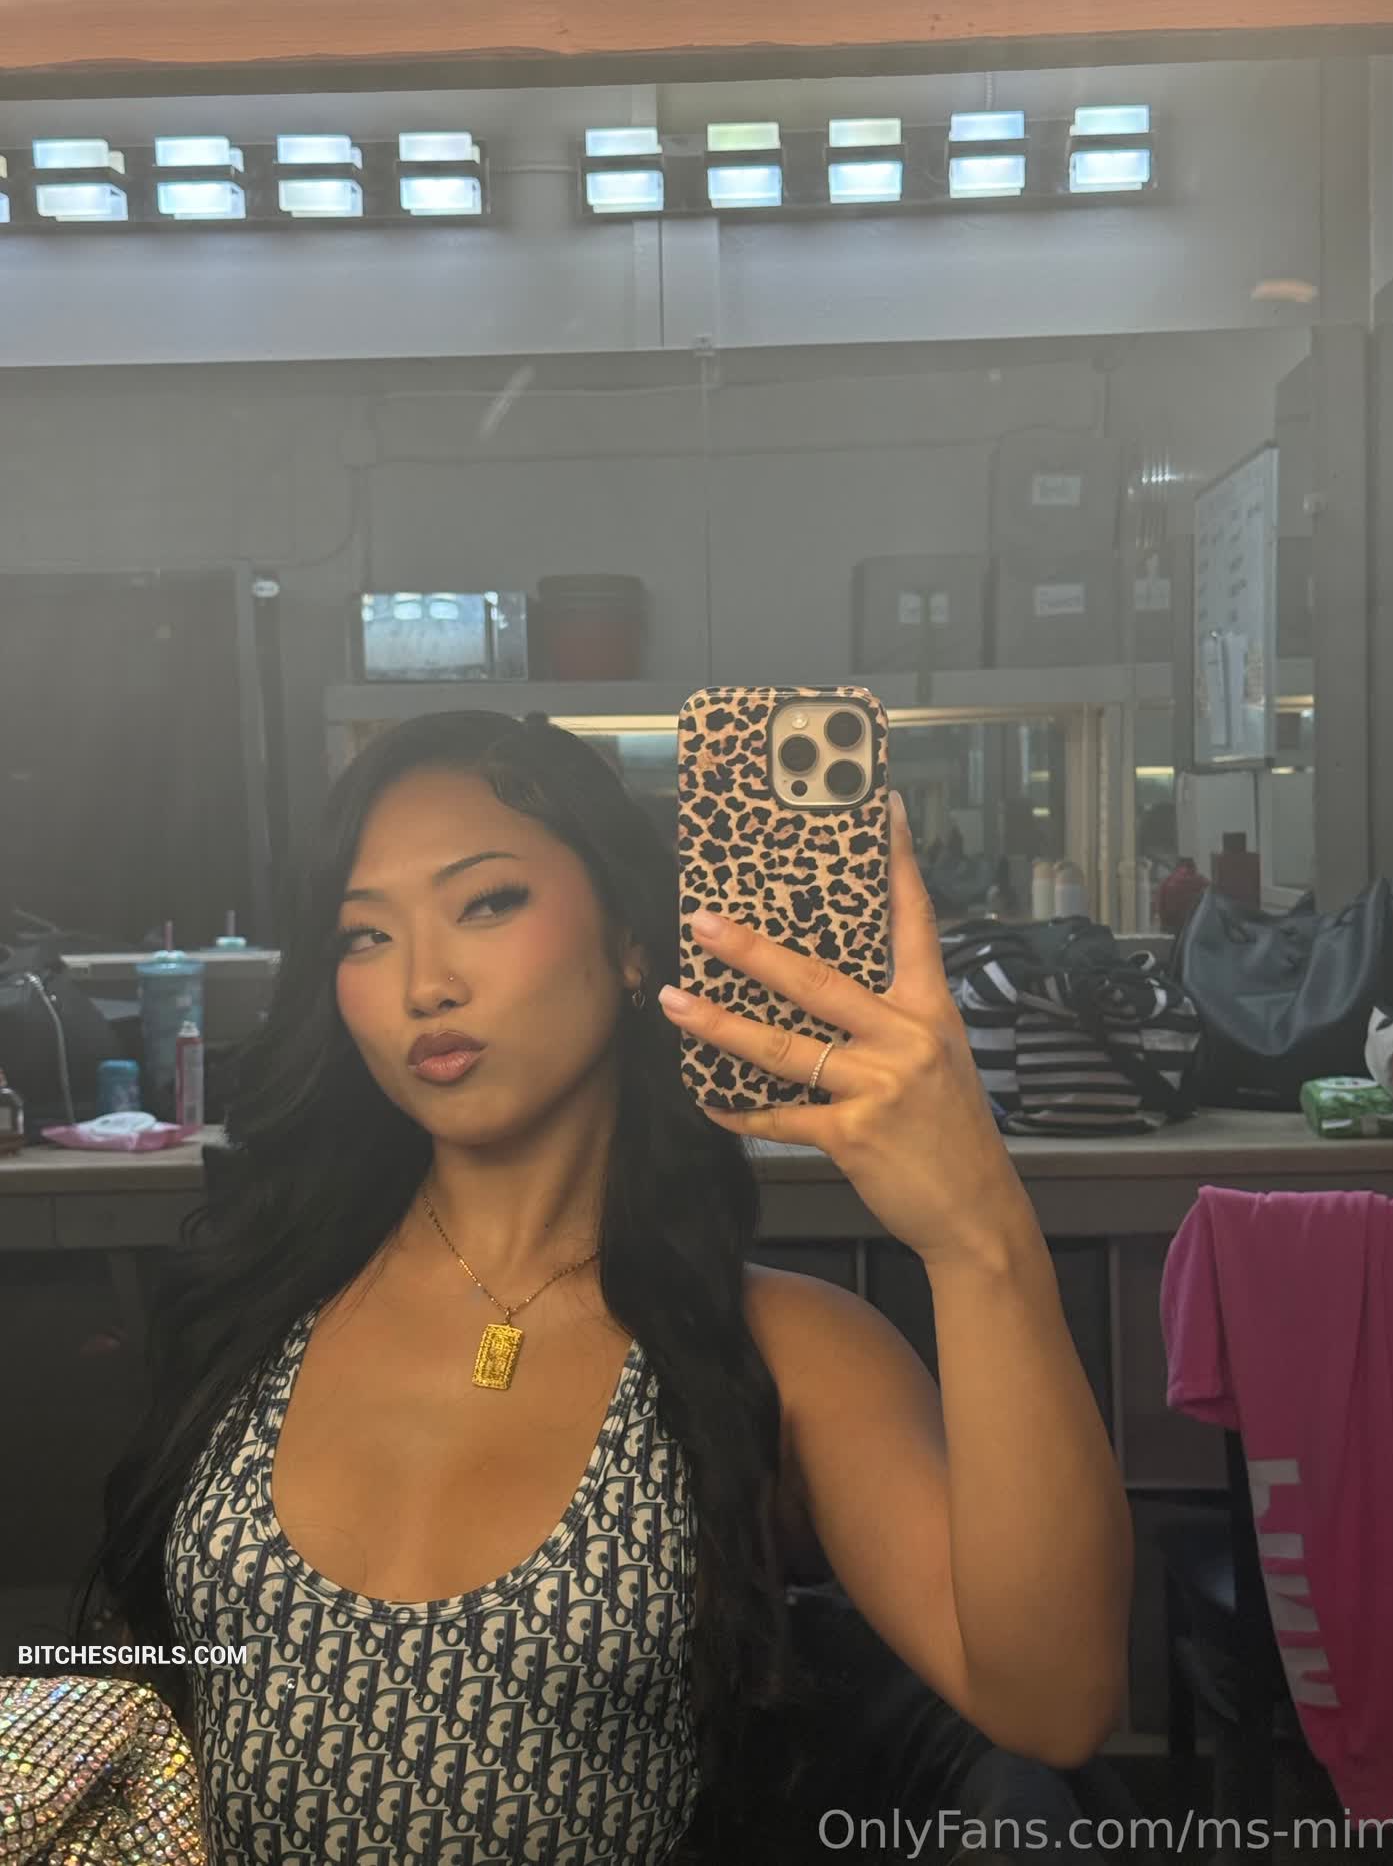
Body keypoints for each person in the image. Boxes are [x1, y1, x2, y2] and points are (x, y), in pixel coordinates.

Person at [76, 709, 1133, 1862]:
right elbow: (154, 1702)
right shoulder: (263, 1298)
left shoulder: (789, 1353)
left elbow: (1052, 1703)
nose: (425, 983)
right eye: (363, 936)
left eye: (487, 902)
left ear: (632, 943)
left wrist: (980, 1234)